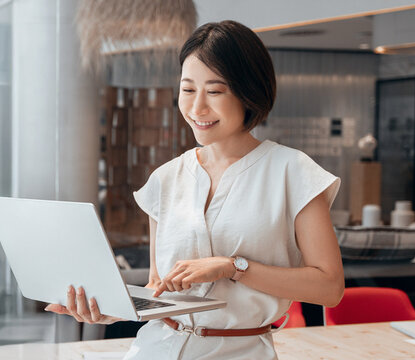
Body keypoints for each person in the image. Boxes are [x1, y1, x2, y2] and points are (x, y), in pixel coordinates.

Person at [45, 20, 344, 359]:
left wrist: (234, 267)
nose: (197, 108)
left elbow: (329, 288)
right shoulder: (165, 179)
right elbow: (160, 289)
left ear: (249, 92)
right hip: (156, 347)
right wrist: (110, 310)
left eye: (214, 91)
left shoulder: (294, 172)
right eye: (188, 90)